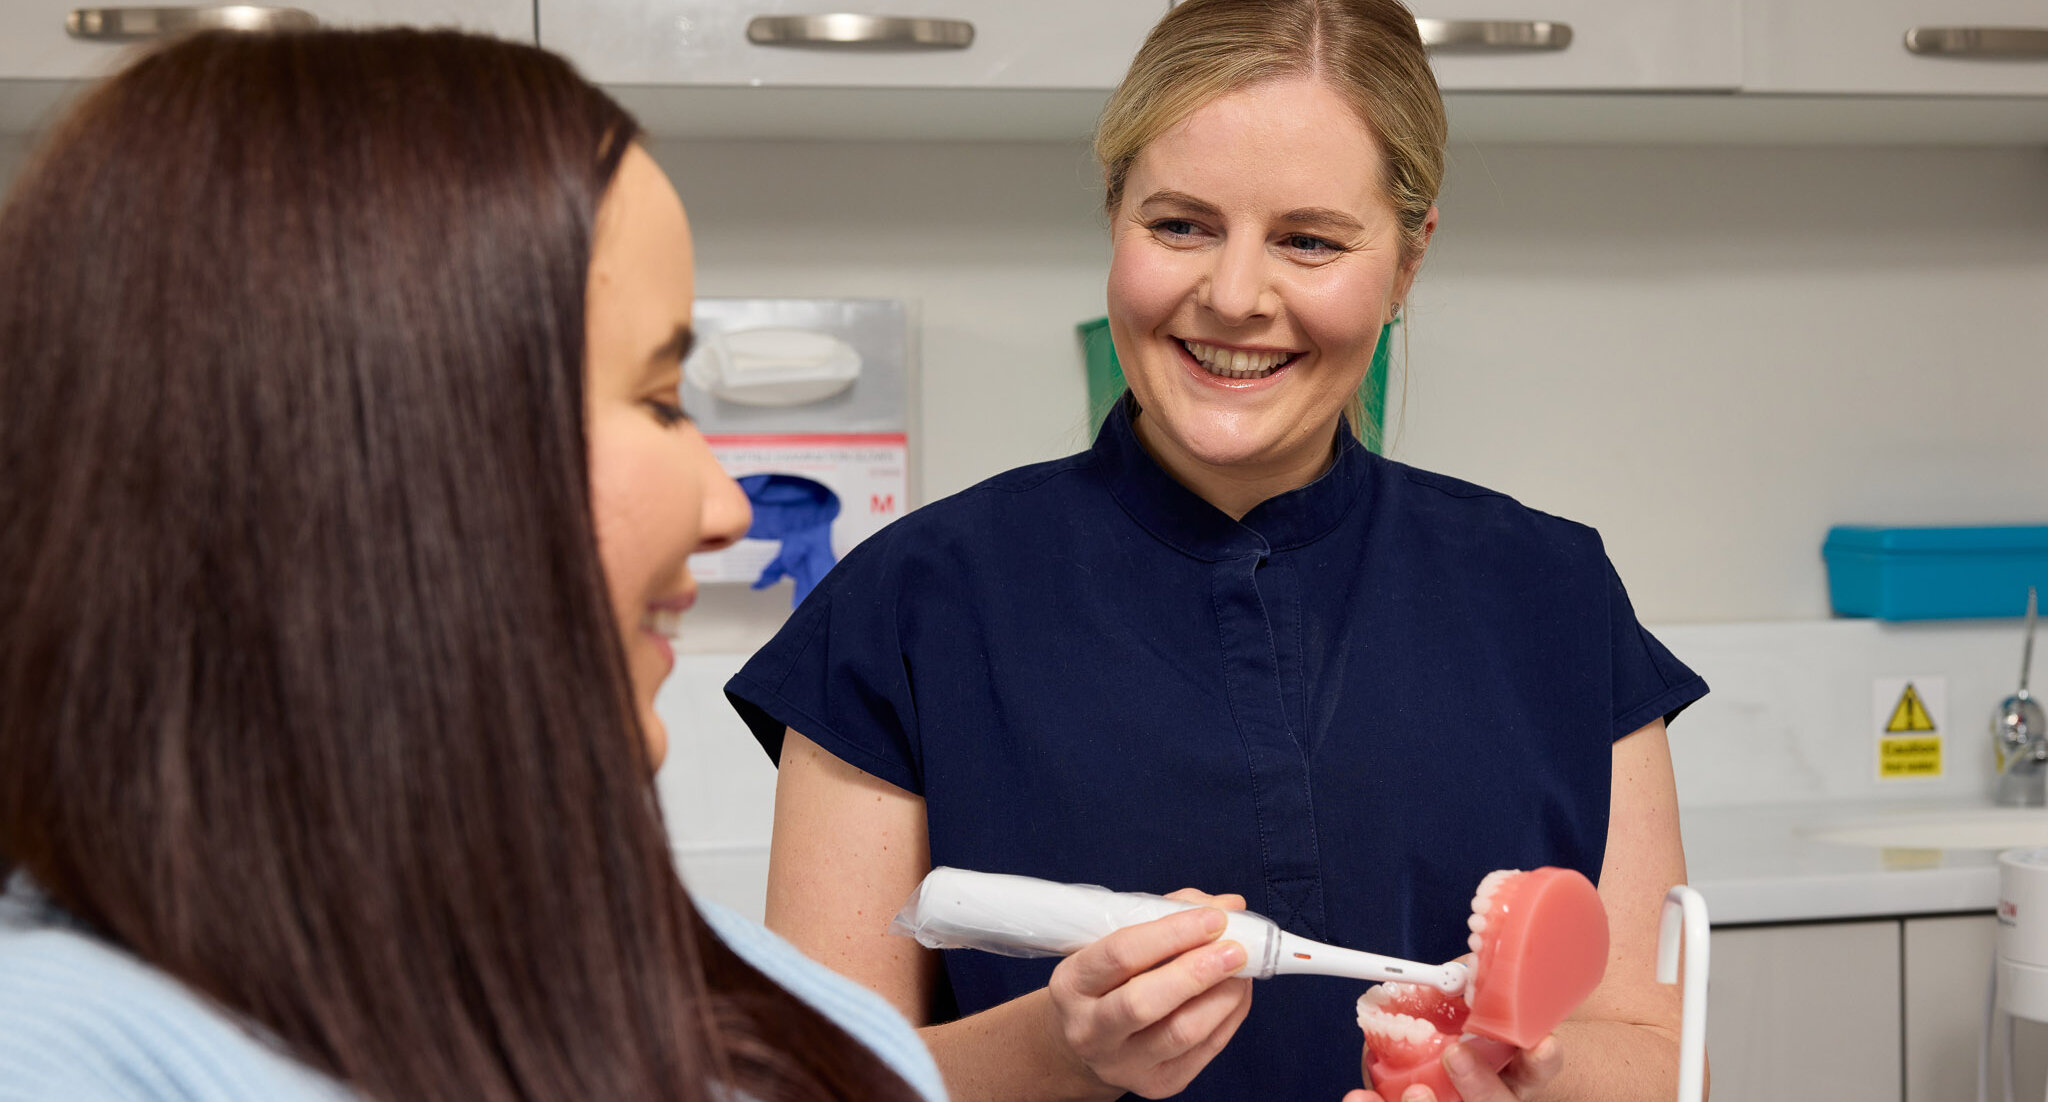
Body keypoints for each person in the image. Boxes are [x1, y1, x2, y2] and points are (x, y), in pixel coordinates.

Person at [724, 1, 1706, 1100]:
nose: (1234, 297)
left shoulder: (1555, 594)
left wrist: (1523, 1082)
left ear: (1408, 260)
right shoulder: (903, 608)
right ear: (1112, 218)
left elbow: (1655, 1052)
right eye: (1180, 225)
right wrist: (1060, 1049)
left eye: (1309, 240)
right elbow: (802, 1085)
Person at [0, 28, 945, 1102]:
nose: (727, 507)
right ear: (368, 452)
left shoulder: (787, 1021)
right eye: (657, 402)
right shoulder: (57, 1054)